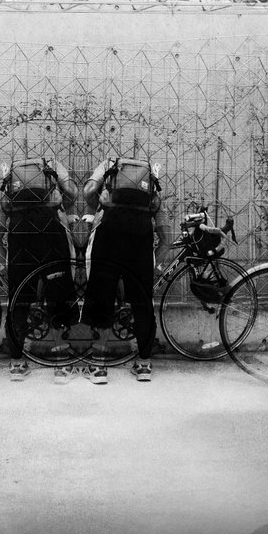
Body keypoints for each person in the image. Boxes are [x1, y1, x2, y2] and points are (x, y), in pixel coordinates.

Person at [82, 156, 170, 383]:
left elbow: (88, 190)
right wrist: (154, 265)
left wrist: (99, 206)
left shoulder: (108, 164)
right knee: (142, 302)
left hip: (109, 231)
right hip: (140, 236)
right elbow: (165, 235)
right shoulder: (150, 172)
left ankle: (99, 365)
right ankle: (143, 364)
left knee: (102, 294)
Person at [0, 157, 79, 382]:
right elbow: (73, 191)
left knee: (19, 301)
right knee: (58, 295)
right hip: (51, 235)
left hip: (20, 238)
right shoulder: (53, 165)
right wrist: (62, 205)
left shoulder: (11, 175)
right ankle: (61, 363)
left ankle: (17, 363)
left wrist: (6, 265)